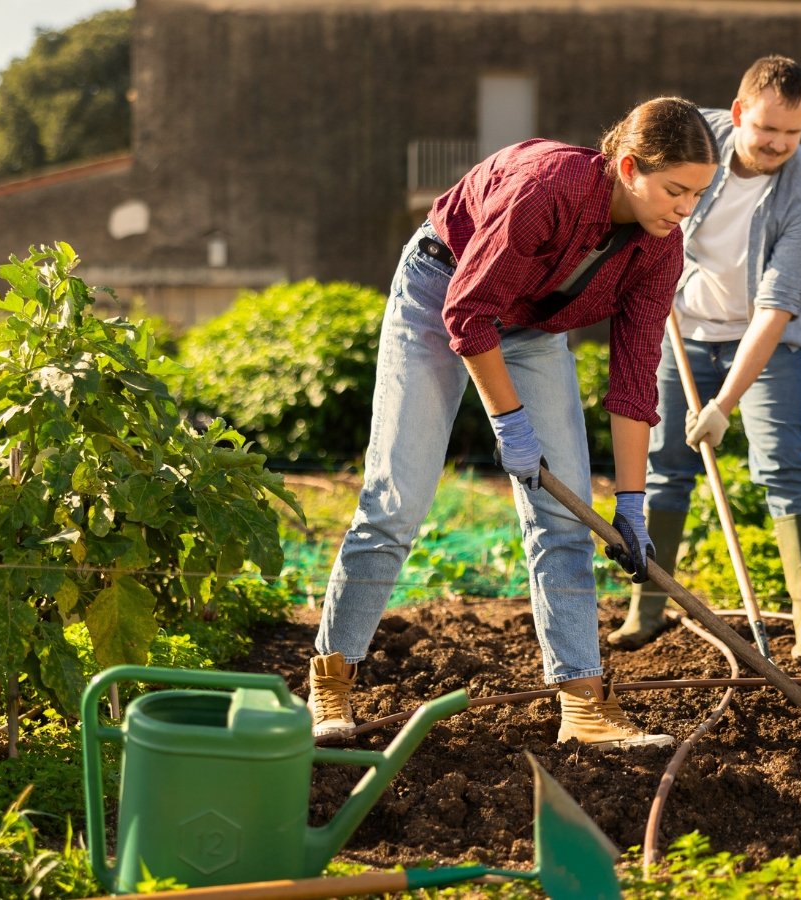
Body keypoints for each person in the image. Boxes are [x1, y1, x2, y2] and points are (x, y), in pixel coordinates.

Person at [306, 97, 720, 749]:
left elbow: (634, 379)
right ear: (630, 167)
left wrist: (632, 502)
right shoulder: (546, 188)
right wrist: (511, 424)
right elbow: (469, 315)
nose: (684, 208)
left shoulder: (659, 250)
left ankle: (583, 704)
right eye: (675, 190)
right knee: (397, 500)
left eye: (697, 194)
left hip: (534, 329)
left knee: (564, 517)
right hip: (441, 290)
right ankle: (330, 683)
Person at [607, 56, 801, 660]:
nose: (779, 144)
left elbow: (778, 304)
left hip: (766, 342)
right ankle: (645, 609)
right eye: (767, 130)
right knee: (665, 467)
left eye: (793, 133)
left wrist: (724, 403)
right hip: (682, 326)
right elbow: (635, 176)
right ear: (737, 115)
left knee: (786, 468)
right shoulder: (696, 138)